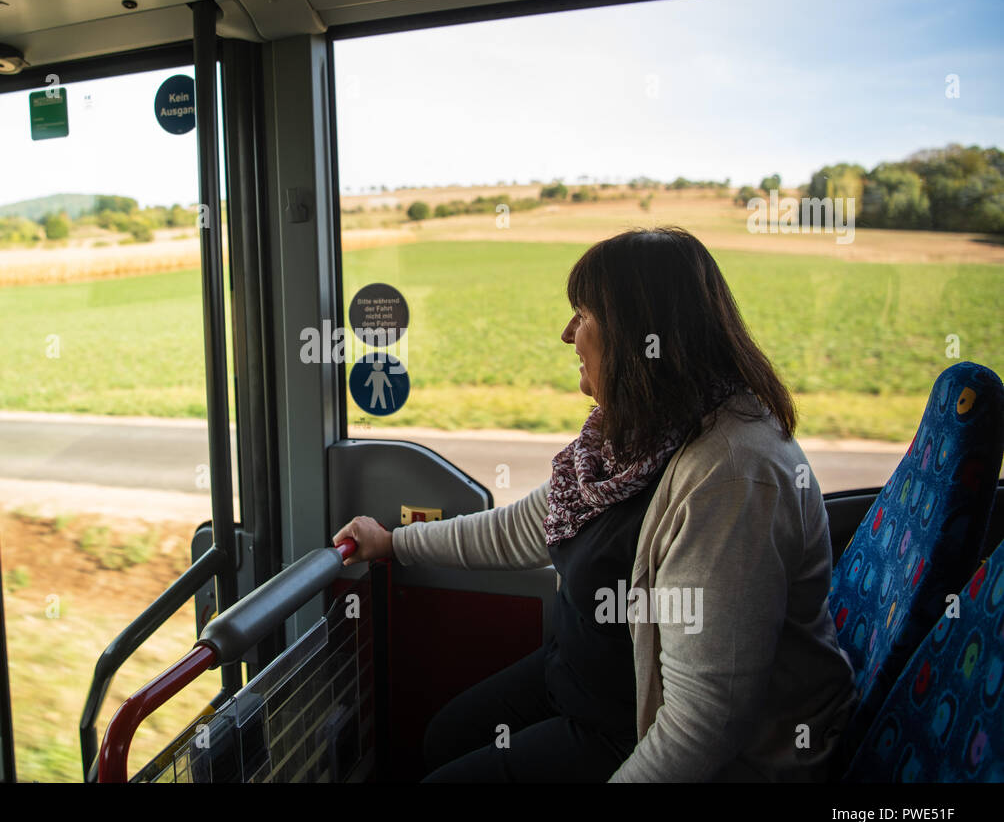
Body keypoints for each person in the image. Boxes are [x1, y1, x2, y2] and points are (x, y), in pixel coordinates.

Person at [333, 226, 858, 782]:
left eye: (582, 315)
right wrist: (394, 543)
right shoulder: (640, 435)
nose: (567, 334)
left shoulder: (730, 478)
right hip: (589, 685)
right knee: (445, 737)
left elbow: (702, 725)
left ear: (638, 337)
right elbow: (526, 528)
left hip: (641, 729)